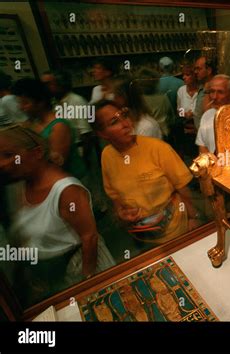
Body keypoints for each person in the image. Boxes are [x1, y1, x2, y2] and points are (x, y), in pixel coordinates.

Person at [0, 125, 114, 305]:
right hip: (54, 278)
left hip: (80, 270)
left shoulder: (66, 191)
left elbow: (89, 237)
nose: (2, 163)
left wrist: (87, 286)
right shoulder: (19, 186)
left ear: (37, 153)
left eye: (9, 155)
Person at [91, 100, 201, 245]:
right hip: (140, 235)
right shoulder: (107, 155)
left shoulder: (157, 149)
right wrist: (121, 213)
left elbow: (182, 187)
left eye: (124, 116)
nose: (126, 124)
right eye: (114, 122)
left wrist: (193, 217)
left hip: (173, 231)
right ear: (102, 134)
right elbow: (114, 195)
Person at [11, 78, 86, 179]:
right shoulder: (33, 122)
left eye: (25, 103)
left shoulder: (59, 126)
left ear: (40, 102)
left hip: (70, 180)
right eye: (20, 103)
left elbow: (57, 164)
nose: (21, 107)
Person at [41, 69, 93, 155]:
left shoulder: (76, 101)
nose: (44, 88)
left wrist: (86, 160)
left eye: (48, 84)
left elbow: (86, 134)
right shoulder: (53, 102)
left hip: (78, 151)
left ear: (61, 84)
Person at [111, 74, 162, 139]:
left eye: (115, 95)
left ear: (125, 97)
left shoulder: (146, 126)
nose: (113, 99)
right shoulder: (125, 120)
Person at [195, 75, 230, 154]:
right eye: (212, 91)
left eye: (220, 92)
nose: (214, 97)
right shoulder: (206, 116)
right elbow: (203, 151)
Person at [136, 67, 175, 139]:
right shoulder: (163, 98)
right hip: (162, 135)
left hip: (142, 135)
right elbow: (171, 119)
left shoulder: (136, 100)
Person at [193, 56, 217, 130]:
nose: (195, 72)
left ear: (209, 70)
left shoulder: (215, 89)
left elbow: (209, 114)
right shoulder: (202, 86)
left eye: (199, 69)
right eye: (195, 69)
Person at [177, 63, 199, 134]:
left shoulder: (201, 91)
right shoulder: (181, 90)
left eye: (187, 75)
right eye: (183, 75)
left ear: (194, 76)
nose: (184, 77)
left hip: (199, 128)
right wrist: (185, 114)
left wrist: (194, 114)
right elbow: (179, 110)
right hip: (186, 129)